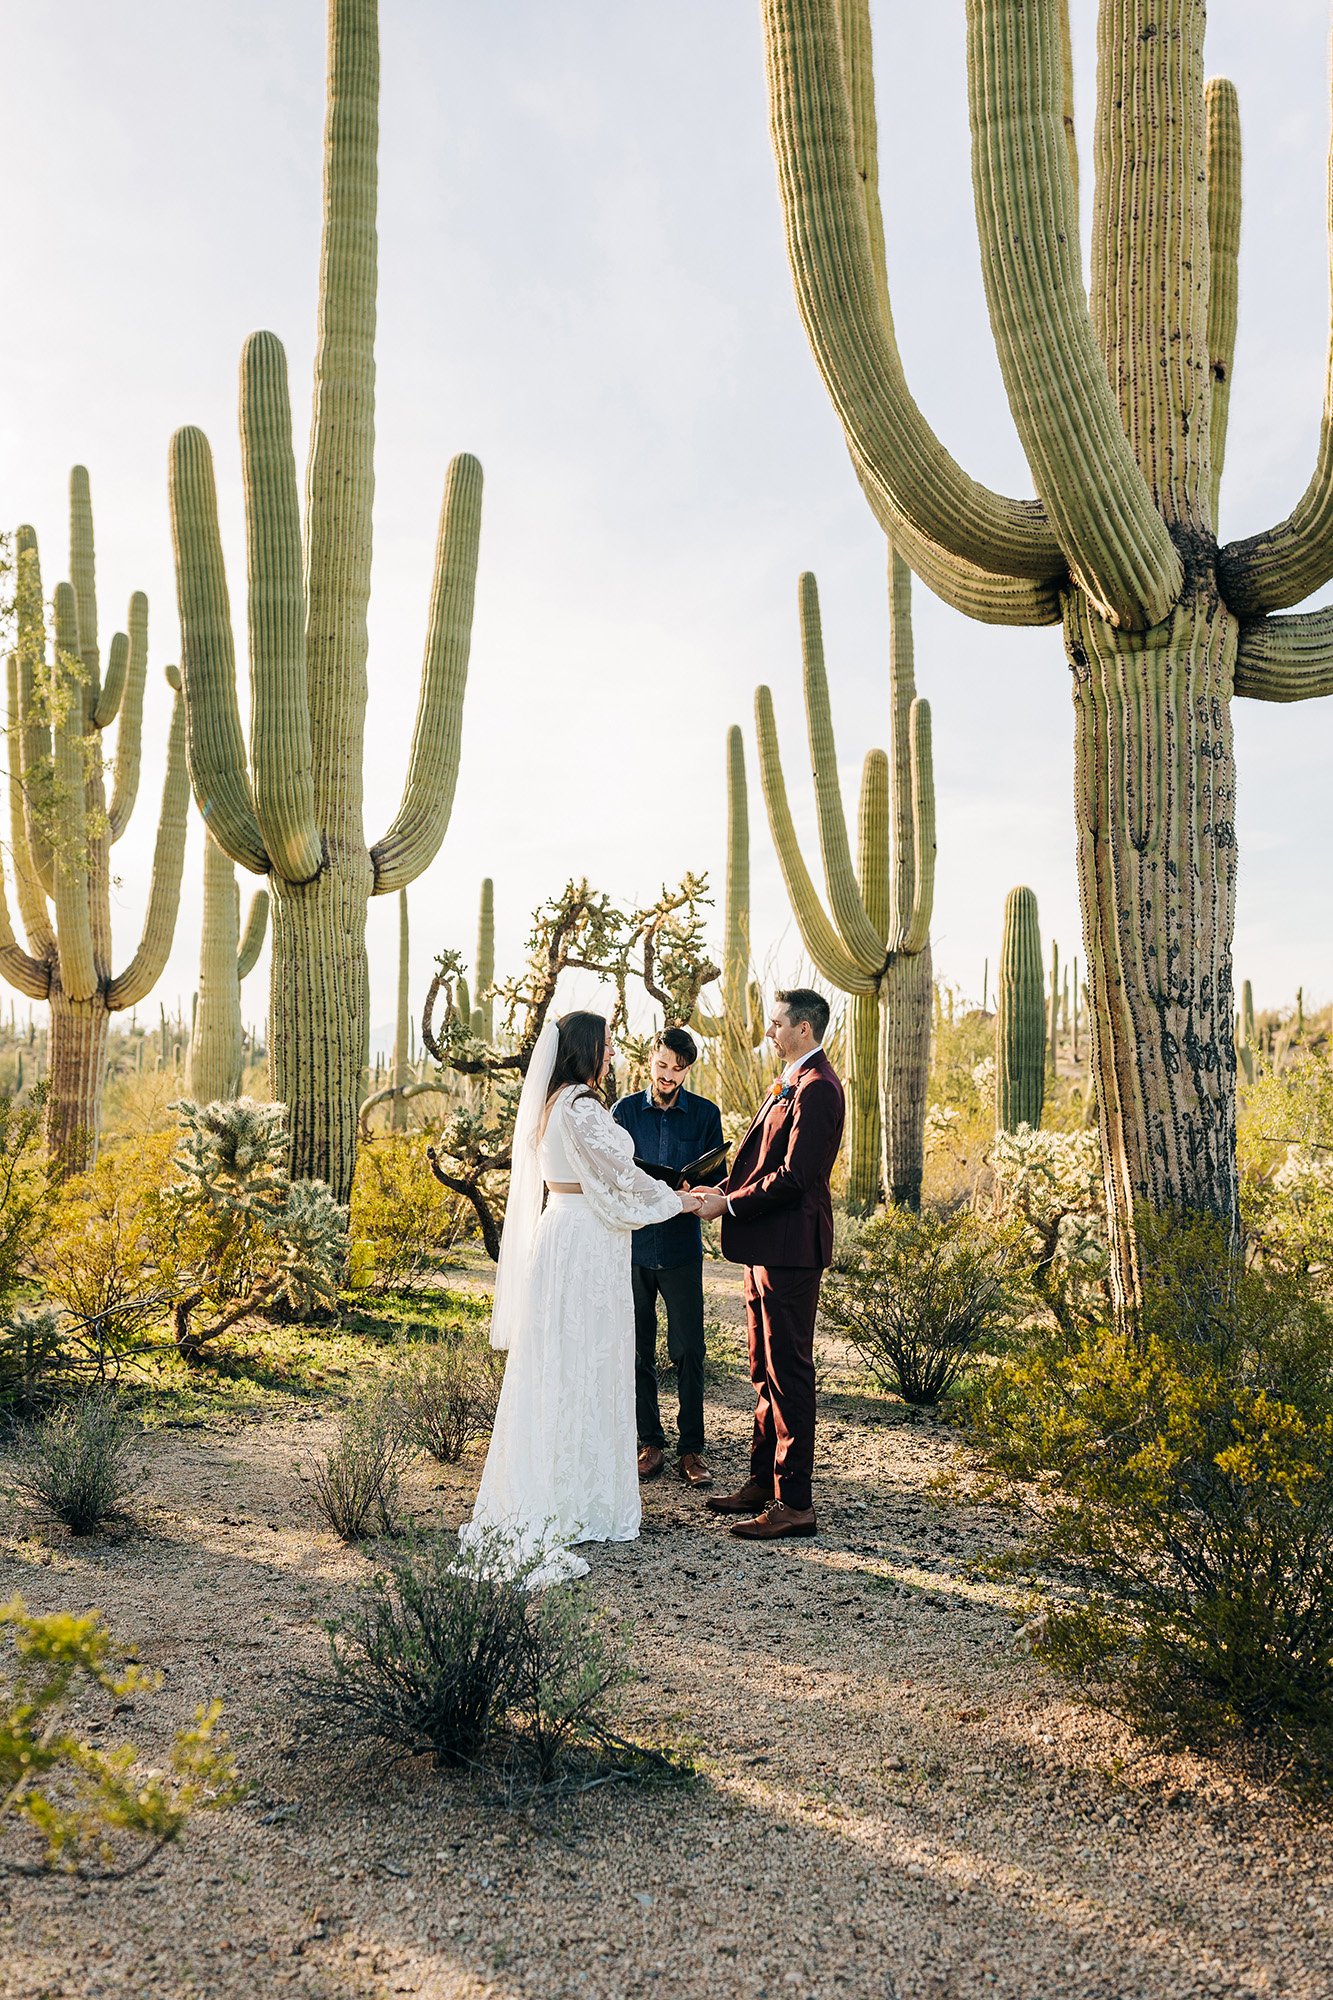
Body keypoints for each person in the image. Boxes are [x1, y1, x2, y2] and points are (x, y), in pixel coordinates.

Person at [462, 1010, 706, 1581]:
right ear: (586, 1050)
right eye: (608, 1045)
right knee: (586, 1361)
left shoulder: (556, 1104)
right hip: (584, 1240)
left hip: (566, 1232)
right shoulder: (581, 1107)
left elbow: (610, 1174)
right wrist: (685, 1201)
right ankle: (577, 1499)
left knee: (566, 1362)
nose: (614, 1054)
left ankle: (569, 1484)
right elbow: (620, 1178)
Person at [694, 989, 844, 1541]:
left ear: (804, 1029)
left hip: (791, 1251)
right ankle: (763, 1482)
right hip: (765, 1247)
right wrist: (723, 1189)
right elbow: (762, 1162)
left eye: (776, 1024)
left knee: (790, 1372)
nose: (769, 1033)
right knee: (763, 1370)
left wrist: (729, 1204)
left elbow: (795, 1178)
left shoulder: (820, 1089)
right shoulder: (789, 1082)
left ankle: (795, 1502)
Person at [612, 1026, 725, 1490]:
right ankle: (650, 1443)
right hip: (634, 1247)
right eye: (662, 1067)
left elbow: (716, 1182)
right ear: (650, 1060)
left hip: (681, 1248)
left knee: (689, 1351)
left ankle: (692, 1450)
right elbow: (612, 1173)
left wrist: (696, 1191)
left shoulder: (705, 1115)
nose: (668, 1077)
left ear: (688, 1070)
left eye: (678, 1071)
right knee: (638, 1350)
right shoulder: (622, 1112)